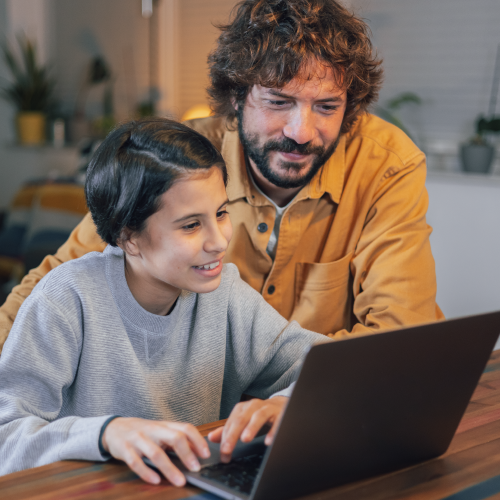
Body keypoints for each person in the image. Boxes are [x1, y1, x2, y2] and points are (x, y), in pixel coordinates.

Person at [0, 0, 443, 351]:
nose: (302, 133)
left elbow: (401, 335)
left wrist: (290, 404)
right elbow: (56, 281)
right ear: (236, 97)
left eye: (326, 106)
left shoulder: (387, 164)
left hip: (326, 409)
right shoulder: (180, 159)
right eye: (278, 101)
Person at [0, 118, 328, 484]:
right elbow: (5, 438)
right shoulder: (66, 299)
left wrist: (285, 403)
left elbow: (331, 368)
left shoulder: (225, 294)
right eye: (190, 225)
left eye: (220, 213)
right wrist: (107, 433)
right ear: (129, 237)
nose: (219, 241)